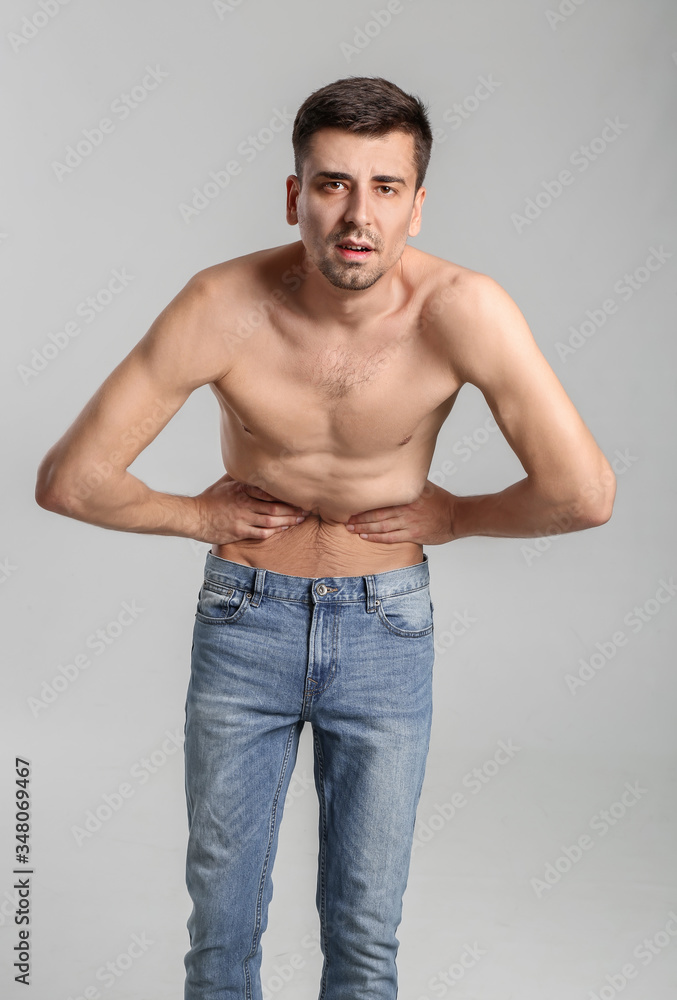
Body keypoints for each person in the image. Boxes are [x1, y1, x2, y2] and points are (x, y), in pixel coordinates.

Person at [35, 76, 616, 1000]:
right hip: (245, 621)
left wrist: (458, 515)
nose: (357, 214)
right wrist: (195, 515)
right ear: (294, 194)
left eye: (385, 187)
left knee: (362, 938)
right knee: (220, 938)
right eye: (333, 183)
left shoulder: (463, 309)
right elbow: (70, 480)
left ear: (417, 206)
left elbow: (583, 493)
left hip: (385, 631)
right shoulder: (222, 303)